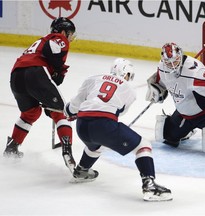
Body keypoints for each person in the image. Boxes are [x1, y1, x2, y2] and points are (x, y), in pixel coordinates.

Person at [64, 58, 172, 202]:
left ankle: (82, 170)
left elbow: (74, 105)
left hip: (82, 125)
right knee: (143, 145)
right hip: (103, 125)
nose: (129, 78)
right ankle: (150, 186)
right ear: (125, 73)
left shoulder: (93, 79)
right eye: (129, 75)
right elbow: (119, 112)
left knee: (96, 144)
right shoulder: (129, 89)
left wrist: (69, 112)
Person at [3, 17, 77, 172]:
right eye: (69, 33)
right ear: (63, 31)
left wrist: (55, 72)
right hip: (35, 73)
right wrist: (59, 68)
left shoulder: (39, 41)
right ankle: (67, 152)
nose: (70, 37)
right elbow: (54, 50)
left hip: (16, 76)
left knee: (30, 112)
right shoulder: (58, 38)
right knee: (61, 112)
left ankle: (12, 148)